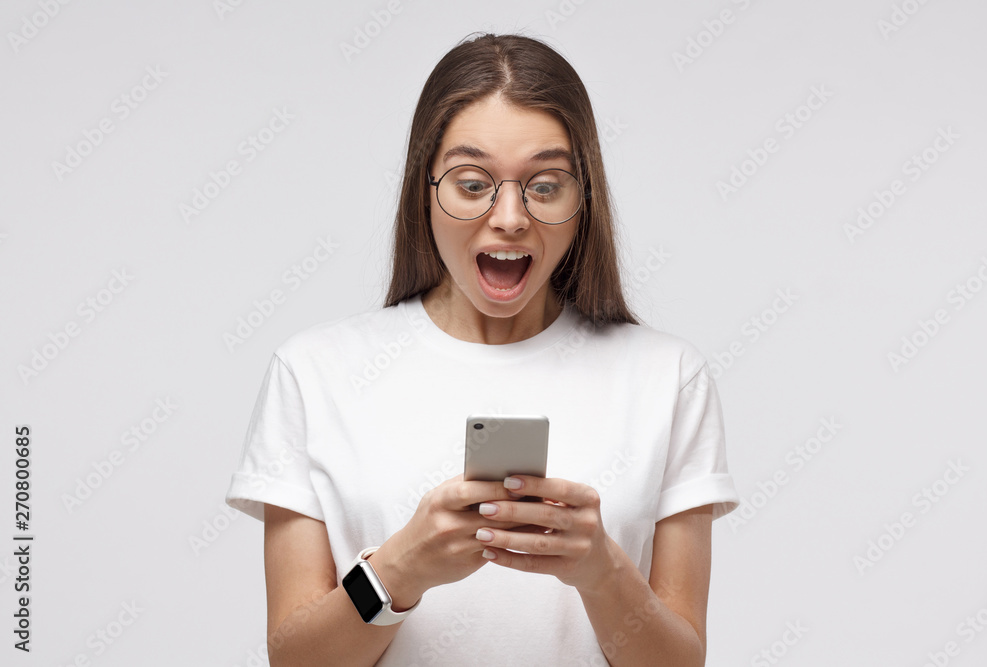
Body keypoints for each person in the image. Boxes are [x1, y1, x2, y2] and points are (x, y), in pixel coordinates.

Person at [225, 32, 739, 667]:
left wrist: (600, 570)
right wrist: (399, 570)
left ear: (584, 201)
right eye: (473, 183)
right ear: (426, 189)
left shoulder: (668, 378)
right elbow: (294, 660)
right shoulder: (313, 373)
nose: (510, 217)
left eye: (545, 185)